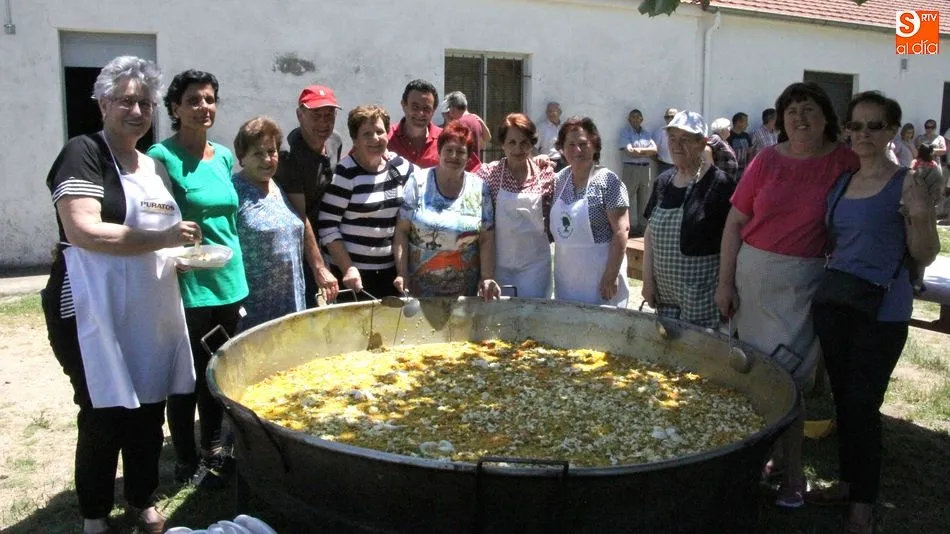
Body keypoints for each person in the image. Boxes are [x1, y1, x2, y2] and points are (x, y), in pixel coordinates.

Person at [41, 56, 197, 534]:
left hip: (149, 306)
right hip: (91, 305)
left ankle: (141, 499)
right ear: (104, 103)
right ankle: (93, 516)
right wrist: (164, 241)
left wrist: (181, 250)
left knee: (149, 407)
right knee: (104, 408)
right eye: (127, 100)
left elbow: (164, 233)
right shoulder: (82, 152)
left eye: (146, 103)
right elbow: (85, 230)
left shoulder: (153, 167)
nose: (137, 110)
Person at [714, 82, 860, 508]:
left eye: (809, 109)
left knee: (789, 382)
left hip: (807, 283)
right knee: (753, 376)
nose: (800, 118)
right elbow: (734, 224)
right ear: (781, 119)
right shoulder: (765, 160)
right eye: (791, 110)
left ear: (826, 117)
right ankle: (767, 459)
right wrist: (725, 283)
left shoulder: (845, 162)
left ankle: (794, 477)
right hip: (754, 278)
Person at [807, 92, 939, 534]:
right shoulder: (843, 182)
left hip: (882, 311)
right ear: (847, 129)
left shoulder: (907, 183)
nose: (864, 133)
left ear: (891, 131)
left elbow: (924, 253)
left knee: (864, 404)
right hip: (837, 303)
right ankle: (847, 483)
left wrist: (920, 219)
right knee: (844, 401)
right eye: (857, 125)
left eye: (875, 125)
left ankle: (863, 503)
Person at [147, 69, 248, 488]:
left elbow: (230, 218)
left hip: (228, 276)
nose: (203, 107)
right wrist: (171, 253)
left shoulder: (223, 155)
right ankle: (186, 460)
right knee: (187, 375)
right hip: (188, 279)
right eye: (193, 100)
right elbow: (152, 215)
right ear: (175, 108)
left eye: (209, 99)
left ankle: (213, 450)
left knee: (216, 371)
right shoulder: (161, 156)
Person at [641, 111, 736, 329]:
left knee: (700, 354)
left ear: (702, 142)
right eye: (672, 138)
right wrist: (648, 282)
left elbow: (732, 241)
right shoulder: (662, 182)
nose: (676, 145)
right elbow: (649, 234)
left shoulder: (721, 185)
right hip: (665, 294)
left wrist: (726, 286)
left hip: (702, 294)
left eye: (685, 139)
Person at [393, 122, 500, 299]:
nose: (453, 156)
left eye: (460, 152)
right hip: (420, 289)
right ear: (439, 151)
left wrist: (487, 277)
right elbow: (401, 232)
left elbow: (486, 238)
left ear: (468, 157)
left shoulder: (480, 188)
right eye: (449, 150)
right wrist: (402, 273)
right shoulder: (417, 181)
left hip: (465, 293)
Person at [318, 105, 414, 300]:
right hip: (353, 275)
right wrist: (348, 268)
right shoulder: (345, 173)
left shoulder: (400, 167)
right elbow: (327, 226)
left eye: (380, 132)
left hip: (390, 272)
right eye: (367, 134)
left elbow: (427, 182)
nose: (375, 139)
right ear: (355, 139)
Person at [232, 116, 315, 330]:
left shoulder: (277, 187)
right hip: (255, 310)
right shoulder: (234, 192)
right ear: (242, 157)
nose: (267, 160)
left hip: (291, 302)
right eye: (258, 153)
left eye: (271, 152)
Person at [273, 84, 342, 307]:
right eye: (316, 115)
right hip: (301, 246)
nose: (323, 123)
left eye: (328, 115)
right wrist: (319, 266)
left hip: (331, 238)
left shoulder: (335, 141)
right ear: (300, 115)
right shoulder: (289, 156)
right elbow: (299, 216)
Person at [551, 116, 630, 307]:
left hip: (600, 278)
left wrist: (611, 276)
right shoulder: (559, 180)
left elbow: (622, 231)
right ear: (562, 149)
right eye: (571, 144)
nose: (577, 150)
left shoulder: (608, 181)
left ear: (594, 145)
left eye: (583, 144)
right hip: (567, 280)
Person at [477, 113, 556, 298]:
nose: (518, 149)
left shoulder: (545, 175)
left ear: (532, 144)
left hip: (535, 268)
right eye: (511, 142)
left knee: (532, 319)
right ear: (502, 144)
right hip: (499, 266)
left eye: (524, 143)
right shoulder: (488, 175)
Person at [387, 79, 480, 171]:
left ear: (433, 110)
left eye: (426, 108)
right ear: (404, 105)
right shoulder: (386, 139)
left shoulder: (448, 138)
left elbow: (476, 170)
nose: (420, 113)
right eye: (415, 107)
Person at [618, 109, 658, 236]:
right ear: (629, 119)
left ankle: (643, 229)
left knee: (644, 198)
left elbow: (655, 150)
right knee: (627, 198)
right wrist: (645, 151)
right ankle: (629, 228)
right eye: (633, 117)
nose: (635, 119)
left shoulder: (646, 133)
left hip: (645, 169)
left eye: (638, 117)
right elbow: (629, 152)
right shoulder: (625, 132)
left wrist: (638, 151)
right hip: (631, 168)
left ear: (642, 119)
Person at [705, 117, 739, 182]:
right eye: (728, 126)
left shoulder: (723, 140)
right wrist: (712, 170)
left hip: (727, 179)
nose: (730, 128)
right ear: (722, 128)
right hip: (718, 180)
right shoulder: (716, 138)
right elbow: (706, 149)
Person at [653, 107, 678, 175]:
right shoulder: (659, 132)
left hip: (681, 166)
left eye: (672, 117)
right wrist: (660, 160)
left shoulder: (685, 132)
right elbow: (653, 152)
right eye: (667, 117)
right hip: (664, 167)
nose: (669, 119)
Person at [728, 112, 753, 179]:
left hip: (743, 170)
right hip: (731, 171)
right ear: (738, 122)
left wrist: (749, 167)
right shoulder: (728, 136)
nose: (747, 124)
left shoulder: (746, 136)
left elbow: (750, 152)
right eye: (746, 122)